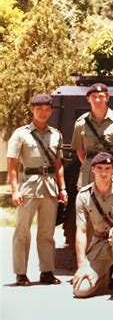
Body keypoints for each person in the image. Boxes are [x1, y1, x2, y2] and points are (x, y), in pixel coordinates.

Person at [7, 94, 67, 286]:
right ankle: (21, 272)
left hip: (49, 185)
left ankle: (47, 271)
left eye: (46, 109)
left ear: (51, 111)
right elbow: (13, 164)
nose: (43, 112)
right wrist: (14, 190)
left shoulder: (56, 134)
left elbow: (58, 164)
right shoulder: (21, 134)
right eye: (38, 108)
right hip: (29, 186)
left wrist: (62, 188)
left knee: (47, 233)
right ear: (31, 109)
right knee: (22, 230)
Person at [72, 152, 113, 301]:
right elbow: (81, 231)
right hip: (100, 244)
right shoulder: (83, 195)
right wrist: (81, 265)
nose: (103, 172)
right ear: (93, 169)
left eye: (108, 168)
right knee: (80, 291)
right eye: (100, 168)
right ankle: (101, 275)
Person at [71, 83, 113, 189]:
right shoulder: (81, 123)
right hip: (89, 173)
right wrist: (91, 165)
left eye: (101, 97)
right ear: (88, 99)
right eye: (93, 97)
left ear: (107, 97)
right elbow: (80, 151)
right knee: (88, 202)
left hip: (112, 172)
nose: (97, 100)